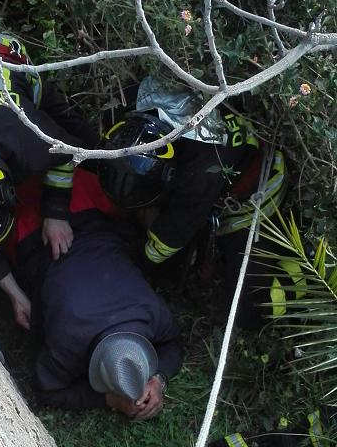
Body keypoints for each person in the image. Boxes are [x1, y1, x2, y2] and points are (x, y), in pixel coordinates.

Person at [97, 76, 287, 327]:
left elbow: (166, 242)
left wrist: (137, 264)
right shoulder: (146, 97)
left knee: (245, 308)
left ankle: (297, 280)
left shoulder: (197, 178)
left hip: (256, 194)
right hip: (222, 163)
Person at [9, 167, 182, 418]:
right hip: (32, 225)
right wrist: (108, 399)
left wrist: (158, 380)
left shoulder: (152, 312)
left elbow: (174, 342)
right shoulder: (67, 342)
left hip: (87, 198)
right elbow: (47, 391)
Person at [0, 33, 96, 329]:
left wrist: (55, 213)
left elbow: (67, 152)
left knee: (78, 130)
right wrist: (16, 295)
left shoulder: (29, 141)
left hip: (4, 55)